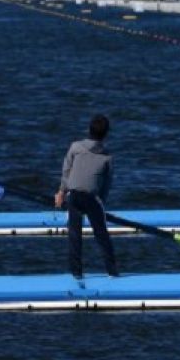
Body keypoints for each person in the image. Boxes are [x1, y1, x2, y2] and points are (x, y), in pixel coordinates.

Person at [54, 114, 117, 279]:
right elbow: (106, 185)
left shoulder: (75, 147)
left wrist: (61, 192)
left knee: (74, 235)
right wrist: (101, 202)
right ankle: (112, 271)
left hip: (73, 196)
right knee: (101, 235)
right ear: (106, 134)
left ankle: (77, 273)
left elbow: (66, 171)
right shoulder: (107, 157)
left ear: (89, 130)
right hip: (92, 199)